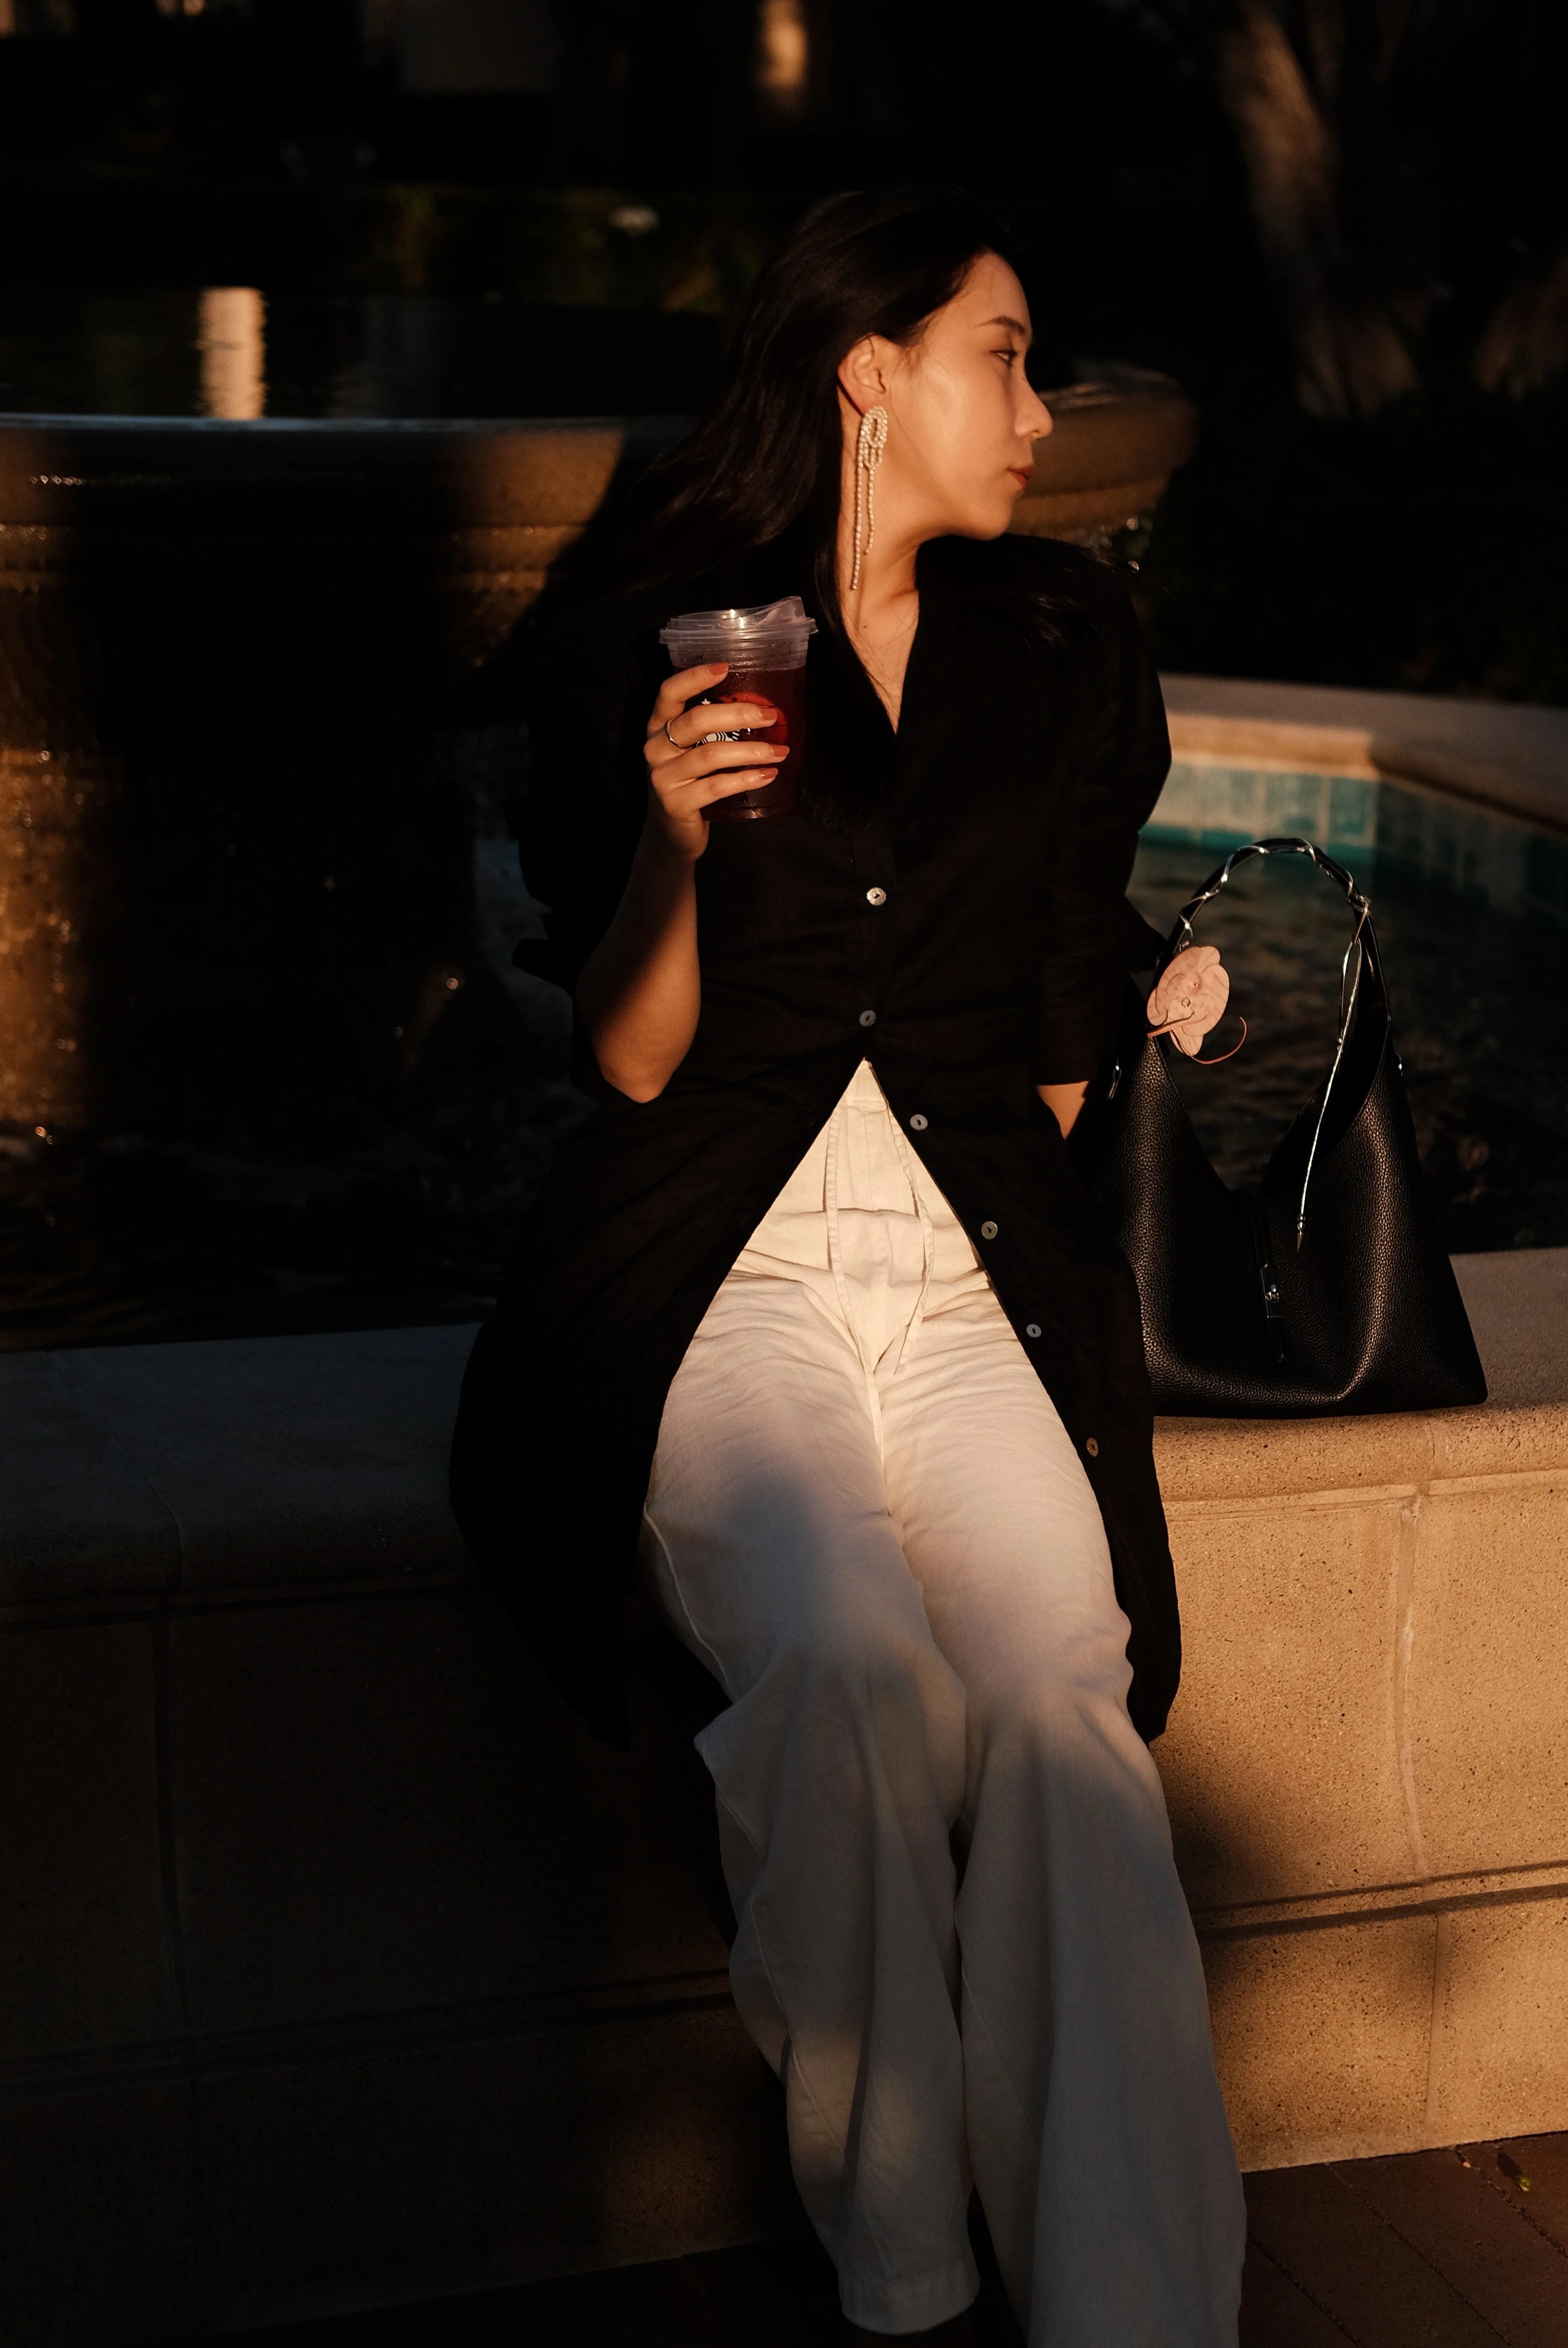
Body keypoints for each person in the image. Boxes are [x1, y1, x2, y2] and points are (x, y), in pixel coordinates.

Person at [450, 187, 1244, 2345]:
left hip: (967, 1255)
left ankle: (1132, 2306)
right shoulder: (669, 633)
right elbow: (627, 1057)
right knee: (840, 1666)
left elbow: (1059, 1010)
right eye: (1003, 348)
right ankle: (902, 2266)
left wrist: (1162, 991)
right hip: (728, 1262)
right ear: (868, 372)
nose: (1040, 396)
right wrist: (681, 843)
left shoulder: (1068, 637)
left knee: (1064, 1698)